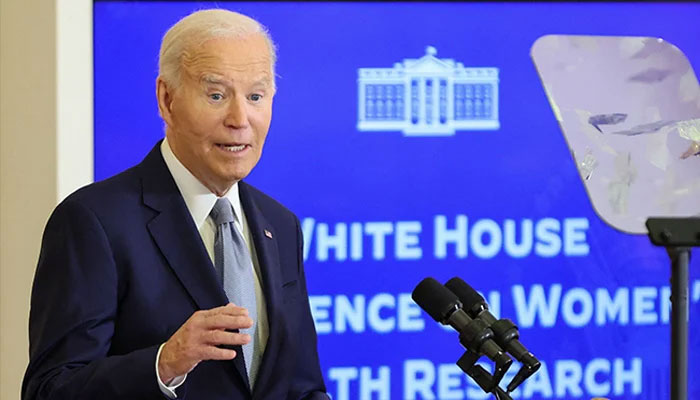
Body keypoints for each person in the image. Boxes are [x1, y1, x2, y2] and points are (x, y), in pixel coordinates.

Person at [22, 9, 328, 400]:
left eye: (255, 96)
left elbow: (300, 385)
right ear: (167, 100)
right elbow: (48, 390)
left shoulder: (279, 224)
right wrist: (164, 363)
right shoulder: (94, 222)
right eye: (216, 95)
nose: (240, 118)